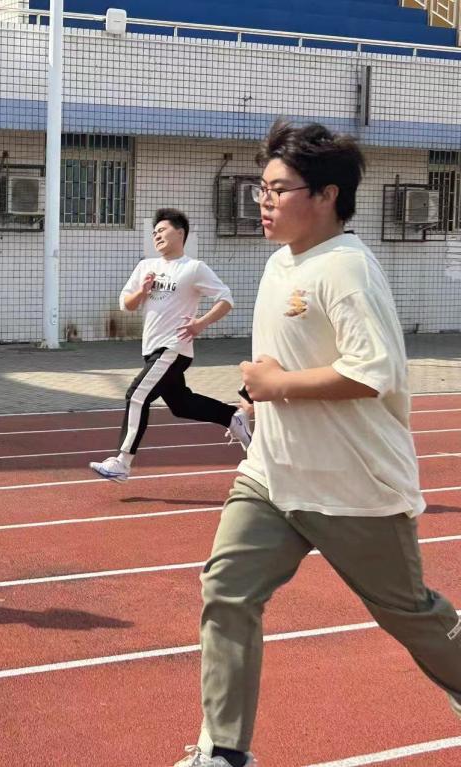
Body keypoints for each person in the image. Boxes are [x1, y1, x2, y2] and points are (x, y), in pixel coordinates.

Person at [174, 121, 461, 767]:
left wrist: (277, 385)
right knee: (226, 589)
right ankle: (223, 750)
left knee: (409, 613)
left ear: (327, 195)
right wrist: (262, 398)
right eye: (262, 189)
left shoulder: (348, 268)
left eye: (278, 189)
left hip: (353, 484)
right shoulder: (281, 261)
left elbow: (373, 371)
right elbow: (293, 358)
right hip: (274, 474)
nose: (264, 201)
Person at [90, 208, 252, 483]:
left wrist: (201, 323)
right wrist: (142, 291)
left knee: (136, 395)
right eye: (154, 232)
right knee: (181, 404)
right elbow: (126, 304)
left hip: (174, 348)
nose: (156, 235)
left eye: (162, 230)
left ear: (180, 233)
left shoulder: (193, 268)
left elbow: (226, 299)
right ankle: (232, 417)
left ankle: (122, 462)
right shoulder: (146, 267)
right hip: (152, 348)